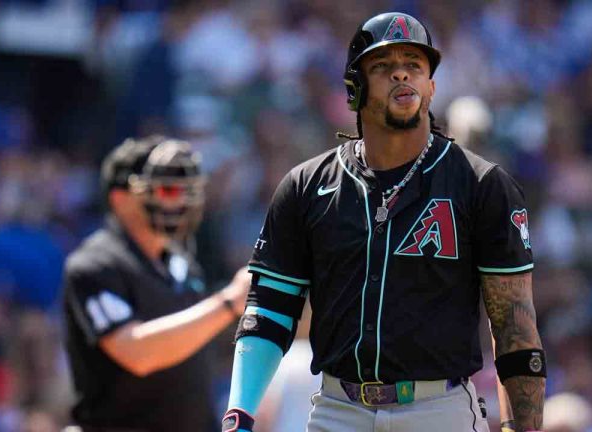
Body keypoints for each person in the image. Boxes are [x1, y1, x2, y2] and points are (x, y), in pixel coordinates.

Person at [222, 12, 545, 432]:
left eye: (414, 65)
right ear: (354, 89)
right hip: (339, 408)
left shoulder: (482, 184)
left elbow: (514, 326)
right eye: (383, 67)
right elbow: (268, 312)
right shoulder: (305, 186)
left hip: (440, 409)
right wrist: (239, 413)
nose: (401, 75)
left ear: (431, 85)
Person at [62, 136, 250, 432]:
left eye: (185, 191)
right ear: (120, 199)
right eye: (167, 190)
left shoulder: (180, 260)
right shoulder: (95, 265)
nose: (179, 201)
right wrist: (228, 302)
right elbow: (137, 353)